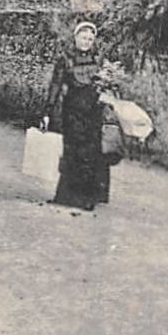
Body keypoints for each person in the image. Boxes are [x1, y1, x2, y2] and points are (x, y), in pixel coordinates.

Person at [44, 20, 115, 210]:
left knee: (91, 154)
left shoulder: (100, 60)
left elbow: (110, 85)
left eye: (90, 39)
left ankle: (88, 198)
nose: (86, 42)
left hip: (94, 112)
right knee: (72, 152)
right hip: (73, 112)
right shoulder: (65, 59)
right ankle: (66, 197)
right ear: (76, 38)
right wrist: (48, 110)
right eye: (83, 38)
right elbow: (56, 85)